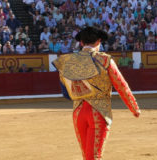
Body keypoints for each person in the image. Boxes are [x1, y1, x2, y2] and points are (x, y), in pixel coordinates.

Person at [53, 27, 141, 160]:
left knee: (87, 156)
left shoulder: (67, 61)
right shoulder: (105, 60)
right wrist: (134, 108)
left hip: (78, 112)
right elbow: (121, 86)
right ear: (99, 41)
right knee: (94, 156)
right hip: (99, 111)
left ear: (81, 43)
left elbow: (66, 93)